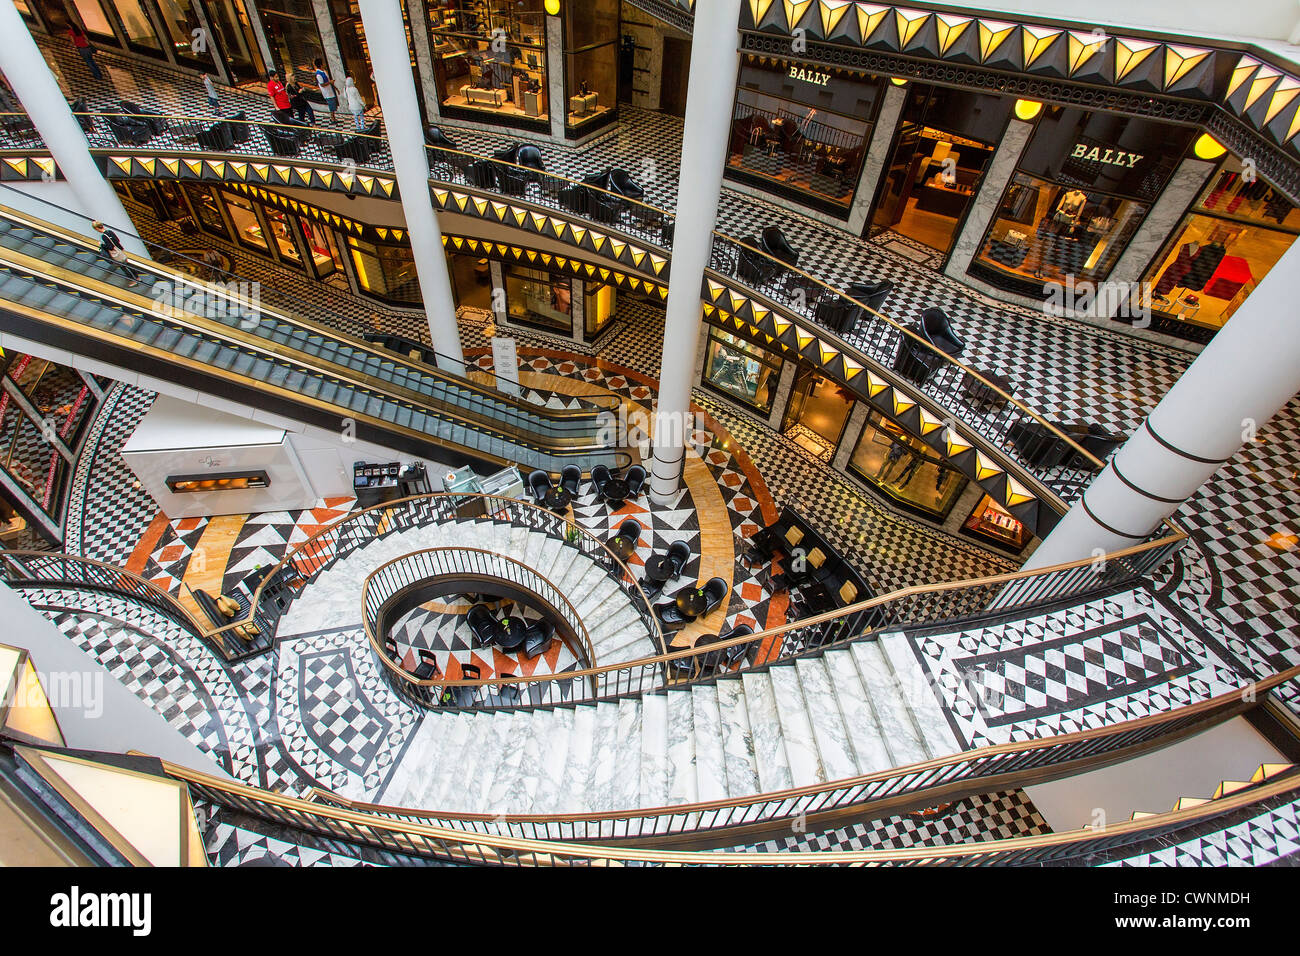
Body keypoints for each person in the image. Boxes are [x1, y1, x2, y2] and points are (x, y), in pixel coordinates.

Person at [91, 221, 142, 285]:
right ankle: (137, 278)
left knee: (123, 267)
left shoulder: (104, 236)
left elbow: (110, 247)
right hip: (120, 250)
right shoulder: (110, 232)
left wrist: (102, 245)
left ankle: (133, 281)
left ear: (97, 228)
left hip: (116, 254)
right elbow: (117, 240)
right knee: (127, 264)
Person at [313, 58, 338, 124]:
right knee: (331, 104)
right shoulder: (318, 74)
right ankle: (332, 118)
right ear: (321, 64)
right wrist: (330, 82)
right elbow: (322, 84)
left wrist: (335, 87)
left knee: (333, 103)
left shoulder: (324, 71)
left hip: (330, 90)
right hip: (327, 92)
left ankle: (333, 117)